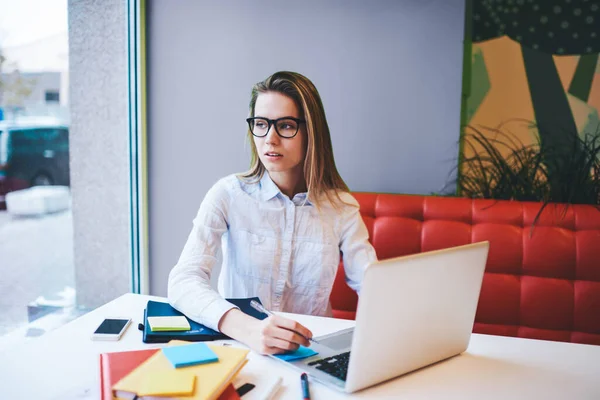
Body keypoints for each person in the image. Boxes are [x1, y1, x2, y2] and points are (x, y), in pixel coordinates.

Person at [168, 71, 377, 355]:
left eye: (286, 126)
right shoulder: (228, 194)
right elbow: (183, 280)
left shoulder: (341, 208)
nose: (270, 139)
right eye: (262, 124)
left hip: (312, 354)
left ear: (311, 132)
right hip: (241, 349)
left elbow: (374, 287)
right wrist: (247, 328)